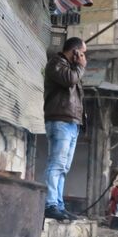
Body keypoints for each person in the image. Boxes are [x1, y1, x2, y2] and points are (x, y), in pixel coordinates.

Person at [43, 37, 87, 221]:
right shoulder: (56, 63)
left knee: (63, 167)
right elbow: (69, 80)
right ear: (75, 52)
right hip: (60, 120)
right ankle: (50, 204)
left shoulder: (71, 69)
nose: (84, 57)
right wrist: (80, 66)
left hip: (71, 123)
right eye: (82, 53)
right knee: (57, 164)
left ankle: (58, 205)